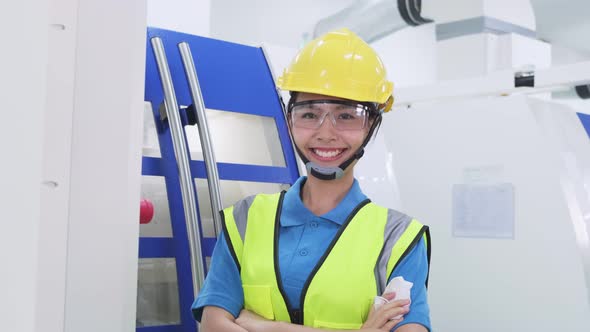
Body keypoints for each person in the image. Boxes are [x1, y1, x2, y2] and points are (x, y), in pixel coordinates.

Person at [191, 28, 431, 332]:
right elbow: (212, 326)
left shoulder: (399, 237)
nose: (326, 132)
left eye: (347, 115)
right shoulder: (247, 218)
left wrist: (266, 327)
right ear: (290, 118)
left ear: (371, 124)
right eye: (309, 114)